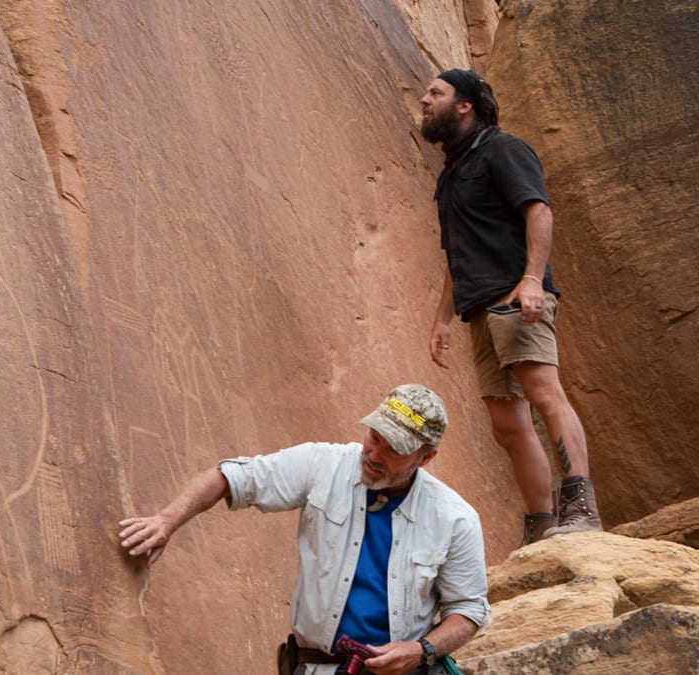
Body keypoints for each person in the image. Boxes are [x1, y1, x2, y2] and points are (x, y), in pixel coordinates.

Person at [119, 384, 489, 675]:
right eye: (375, 437)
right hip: (317, 667)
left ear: (426, 457)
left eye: (394, 449)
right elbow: (231, 478)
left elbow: (469, 609)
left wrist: (420, 650)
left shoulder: (454, 518)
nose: (375, 455)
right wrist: (166, 520)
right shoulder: (323, 464)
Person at [419, 68, 603, 545]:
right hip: (480, 309)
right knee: (507, 424)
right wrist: (442, 318)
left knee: (544, 394)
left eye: (436, 93)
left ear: (465, 105)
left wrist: (531, 280)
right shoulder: (451, 174)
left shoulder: (503, 149)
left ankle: (581, 506)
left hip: (515, 297)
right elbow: (455, 254)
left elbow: (538, 209)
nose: (424, 99)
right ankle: (542, 526)